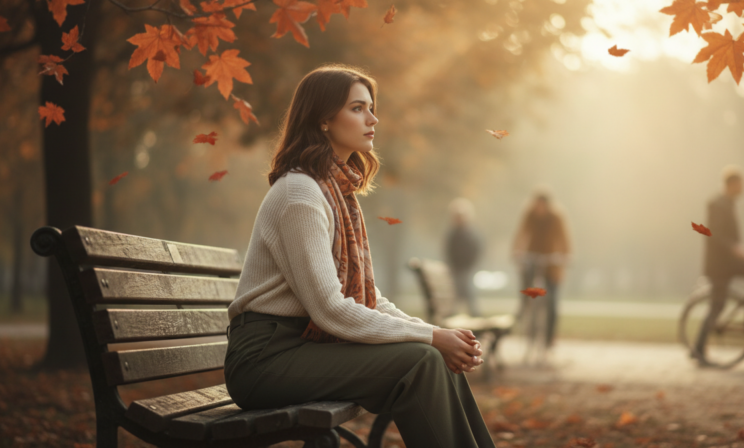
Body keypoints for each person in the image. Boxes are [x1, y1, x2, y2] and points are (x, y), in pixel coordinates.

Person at [223, 65, 494, 447]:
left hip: (299, 348)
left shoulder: (334, 190)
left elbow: (366, 296)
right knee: (422, 360)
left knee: (432, 357)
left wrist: (437, 336)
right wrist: (431, 335)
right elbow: (330, 309)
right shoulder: (299, 194)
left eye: (371, 107)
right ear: (323, 120)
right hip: (264, 361)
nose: (373, 118)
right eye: (357, 108)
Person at [693, 166, 744, 367]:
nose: (742, 189)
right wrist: (734, 247)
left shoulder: (729, 203)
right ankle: (698, 350)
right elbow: (714, 234)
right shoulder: (716, 204)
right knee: (717, 305)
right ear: (731, 184)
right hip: (719, 265)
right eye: (740, 185)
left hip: (729, 263)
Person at [511, 186, 571, 365]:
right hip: (532, 259)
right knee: (527, 294)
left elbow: (564, 239)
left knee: (551, 301)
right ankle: (525, 323)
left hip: (551, 264)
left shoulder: (557, 218)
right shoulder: (528, 216)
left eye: (542, 206)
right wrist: (517, 252)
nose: (539, 209)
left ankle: (548, 341)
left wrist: (565, 255)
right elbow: (520, 235)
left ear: (548, 205)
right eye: (536, 205)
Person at [445, 198, 484, 317]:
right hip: (457, 268)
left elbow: (476, 250)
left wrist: (471, 263)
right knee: (460, 292)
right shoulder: (454, 234)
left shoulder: (470, 233)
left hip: (467, 268)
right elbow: (449, 251)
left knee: (466, 291)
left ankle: (473, 314)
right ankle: (458, 315)